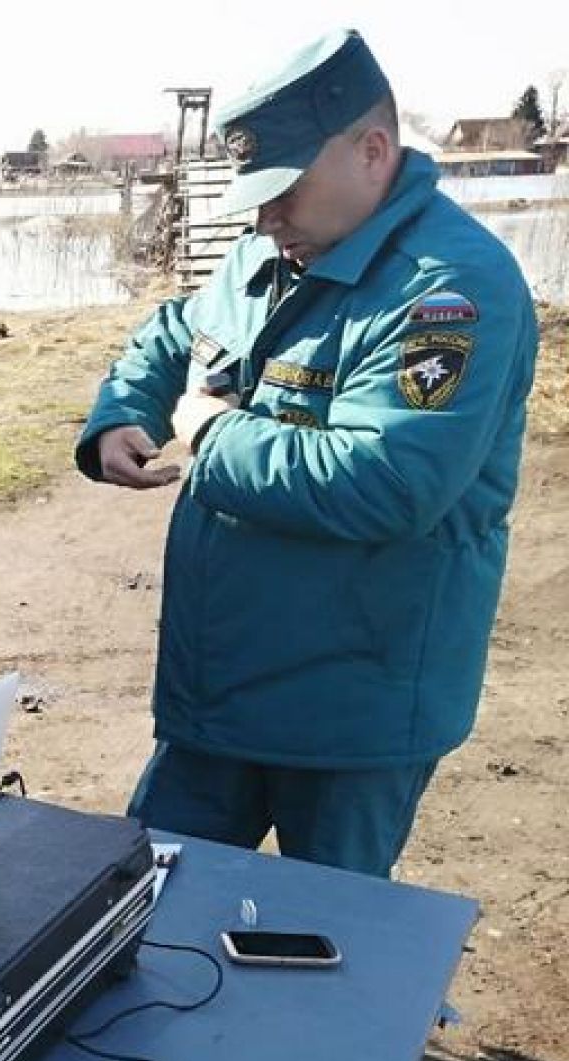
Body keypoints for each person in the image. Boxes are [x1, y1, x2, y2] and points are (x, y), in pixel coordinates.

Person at [75, 29, 537, 878]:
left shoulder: (449, 291)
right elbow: (177, 331)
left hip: (350, 715)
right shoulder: (270, 252)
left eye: (283, 188)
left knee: (325, 950)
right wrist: (122, 413)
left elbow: (391, 482)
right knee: (145, 913)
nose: (263, 215)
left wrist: (214, 434)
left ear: (372, 152)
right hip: (220, 698)